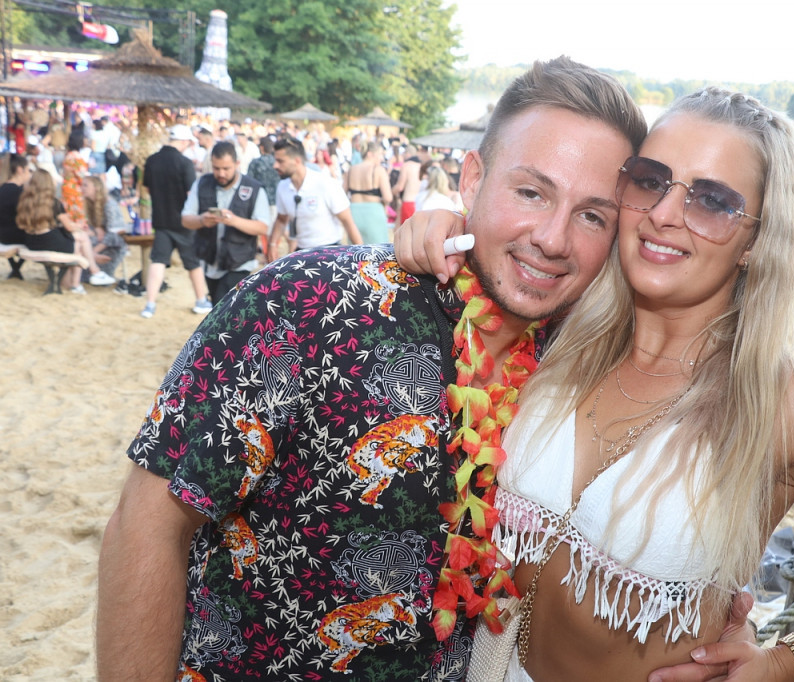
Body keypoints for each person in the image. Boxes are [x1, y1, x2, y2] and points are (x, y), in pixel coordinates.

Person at [98, 57, 721, 682]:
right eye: (531, 192)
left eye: (592, 216)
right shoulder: (305, 304)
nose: (553, 239)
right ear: (472, 179)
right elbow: (150, 522)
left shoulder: (583, 365)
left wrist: (747, 644)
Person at [400, 87, 794, 682]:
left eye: (713, 201)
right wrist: (447, 223)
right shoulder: (562, 334)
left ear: (755, 240)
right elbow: (505, 259)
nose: (664, 214)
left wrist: (782, 663)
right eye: (651, 181)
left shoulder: (783, 401)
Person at [180, 141, 270, 303]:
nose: (221, 173)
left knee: (223, 307)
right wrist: (202, 220)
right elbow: (186, 220)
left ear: (237, 164)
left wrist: (234, 221)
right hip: (210, 261)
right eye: (216, 168)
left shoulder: (254, 188)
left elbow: (263, 227)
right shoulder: (202, 183)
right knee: (218, 306)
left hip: (239, 263)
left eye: (226, 168)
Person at [140, 124, 210, 318]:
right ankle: (201, 300)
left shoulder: (152, 160)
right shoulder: (184, 163)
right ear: (184, 141)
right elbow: (191, 193)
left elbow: (147, 188)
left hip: (161, 219)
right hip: (184, 221)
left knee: (158, 261)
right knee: (193, 262)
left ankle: (150, 304)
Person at [266, 135, 362, 261]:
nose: (275, 165)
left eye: (280, 161)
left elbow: (348, 222)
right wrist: (272, 244)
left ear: (297, 161)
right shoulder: (283, 187)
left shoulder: (325, 184)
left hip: (330, 252)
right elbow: (281, 219)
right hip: (302, 252)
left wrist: (362, 257)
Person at [16, 170, 110, 292]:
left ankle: (77, 282)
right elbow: (69, 227)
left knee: (78, 241)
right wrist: (80, 226)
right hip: (49, 241)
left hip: (31, 241)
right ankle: (91, 274)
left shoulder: (25, 200)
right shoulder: (53, 202)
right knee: (80, 240)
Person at [343, 139, 394, 244]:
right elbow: (388, 197)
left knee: (355, 250)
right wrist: (383, 203)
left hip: (354, 212)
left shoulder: (351, 170)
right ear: (370, 154)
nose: (381, 158)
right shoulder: (378, 170)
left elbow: (342, 194)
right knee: (377, 250)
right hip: (374, 212)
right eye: (379, 154)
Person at [82, 175, 129, 279]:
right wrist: (95, 230)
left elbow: (114, 233)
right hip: (100, 241)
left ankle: (92, 262)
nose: (82, 188)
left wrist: (93, 252)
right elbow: (91, 227)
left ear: (96, 187)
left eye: (86, 185)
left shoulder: (109, 204)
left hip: (114, 245)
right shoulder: (90, 205)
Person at [1, 153, 32, 278]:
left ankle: (15, 269)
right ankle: (16, 268)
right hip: (18, 237)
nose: (29, 174)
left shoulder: (2, 189)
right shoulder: (21, 193)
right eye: (28, 170)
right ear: (20, 170)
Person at [61, 131, 89, 223]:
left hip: (66, 187)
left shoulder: (68, 155)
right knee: (77, 217)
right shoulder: (77, 157)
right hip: (75, 190)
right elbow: (82, 176)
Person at [392, 145, 424, 223]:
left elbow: (400, 187)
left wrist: (390, 192)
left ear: (408, 154)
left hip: (409, 202)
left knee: (406, 229)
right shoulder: (422, 166)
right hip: (420, 204)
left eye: (403, 153)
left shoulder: (407, 165)